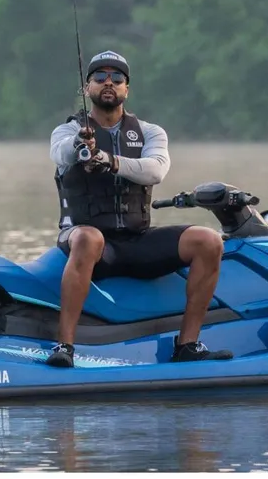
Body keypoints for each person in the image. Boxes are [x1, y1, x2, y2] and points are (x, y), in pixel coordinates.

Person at [47, 50, 233, 368]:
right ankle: (65, 346)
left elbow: (156, 170)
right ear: (86, 88)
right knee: (88, 239)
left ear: (126, 89)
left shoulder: (150, 132)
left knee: (209, 240)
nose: (109, 83)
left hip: (136, 239)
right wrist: (82, 146)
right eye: (100, 77)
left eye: (117, 78)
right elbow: (61, 153)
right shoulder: (67, 132)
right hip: (88, 240)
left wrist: (110, 160)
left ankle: (187, 344)